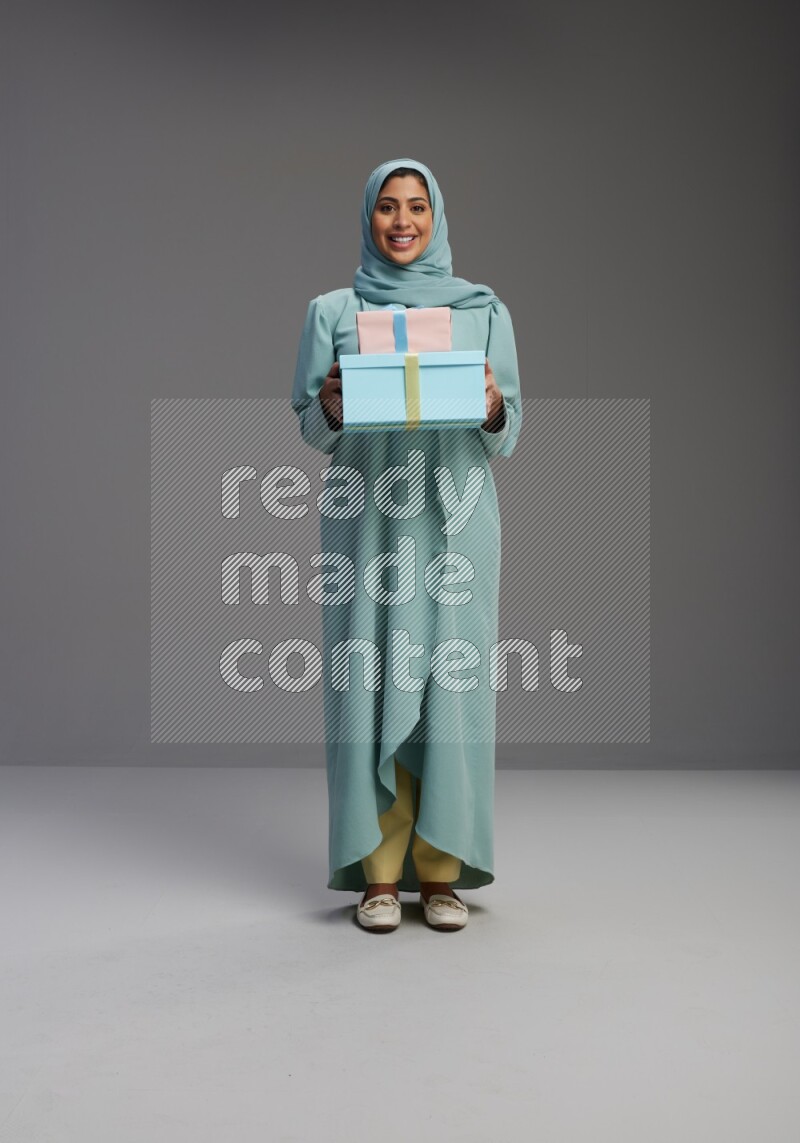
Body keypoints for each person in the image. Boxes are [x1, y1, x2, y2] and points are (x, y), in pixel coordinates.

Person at [291, 158, 522, 933]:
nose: (401, 221)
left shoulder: (483, 310)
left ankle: (442, 871)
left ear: (437, 216)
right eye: (387, 207)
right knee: (371, 688)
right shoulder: (333, 311)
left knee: (449, 697)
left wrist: (492, 405)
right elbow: (311, 427)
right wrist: (329, 400)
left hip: (455, 523)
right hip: (369, 523)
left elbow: (509, 432)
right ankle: (379, 877)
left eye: (416, 207)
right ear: (368, 216)